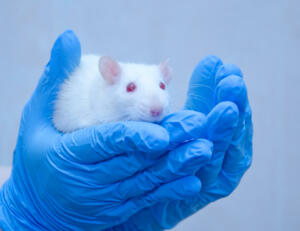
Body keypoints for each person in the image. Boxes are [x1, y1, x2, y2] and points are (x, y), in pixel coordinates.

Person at [0, 30, 252, 231]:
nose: (156, 105)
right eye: (131, 88)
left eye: (162, 86)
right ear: (109, 74)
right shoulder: (90, 98)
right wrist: (25, 213)